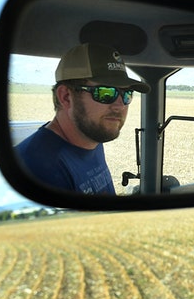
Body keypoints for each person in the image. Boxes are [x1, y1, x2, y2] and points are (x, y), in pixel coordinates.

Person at [15, 43, 149, 194]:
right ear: (66, 97)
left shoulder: (92, 137)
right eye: (105, 93)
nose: (120, 106)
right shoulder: (37, 170)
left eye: (126, 94)